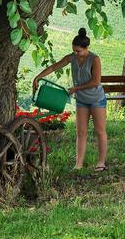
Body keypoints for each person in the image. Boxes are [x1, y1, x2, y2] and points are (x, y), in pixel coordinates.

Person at [32, 28, 107, 172]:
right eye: (74, 50)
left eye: (78, 51)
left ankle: (101, 162)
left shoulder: (94, 59)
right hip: (81, 100)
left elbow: (96, 82)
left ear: (86, 48)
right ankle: (78, 164)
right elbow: (55, 66)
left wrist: (76, 89)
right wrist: (38, 77)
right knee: (81, 132)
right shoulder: (72, 57)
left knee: (100, 131)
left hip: (96, 99)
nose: (75, 53)